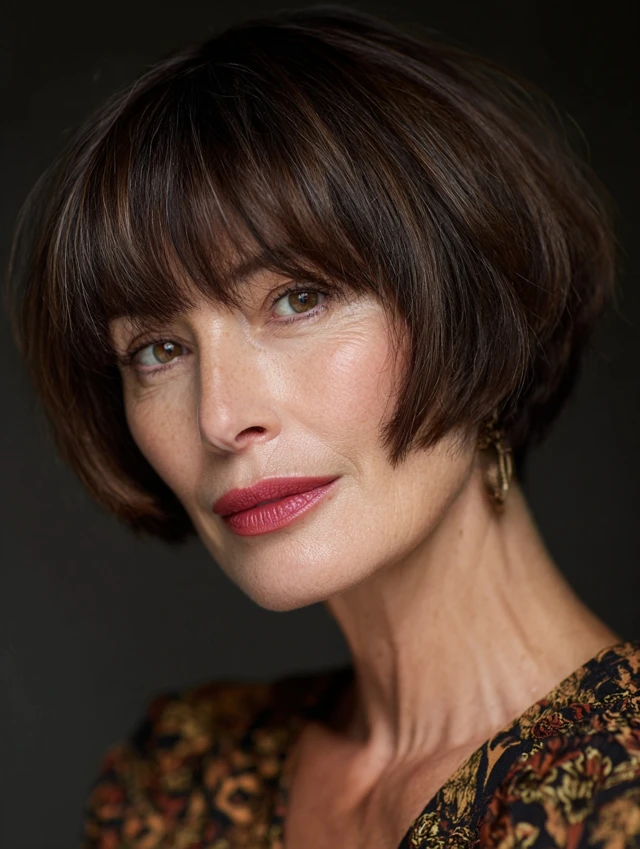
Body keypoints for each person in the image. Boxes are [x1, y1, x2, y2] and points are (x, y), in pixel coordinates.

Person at [7, 5, 640, 848]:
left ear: (480, 307)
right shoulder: (175, 783)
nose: (221, 417)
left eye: (297, 299)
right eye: (159, 350)